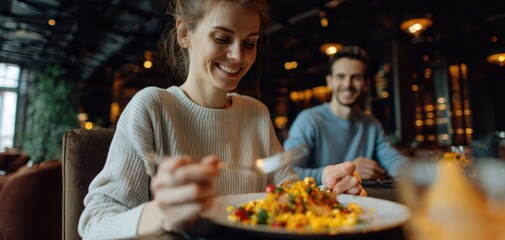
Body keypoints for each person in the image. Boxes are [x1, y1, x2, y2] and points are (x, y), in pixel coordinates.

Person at [78, 1, 365, 239]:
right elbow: (94, 222)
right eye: (222, 38)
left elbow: (287, 196)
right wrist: (161, 213)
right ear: (184, 33)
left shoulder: (256, 113)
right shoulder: (152, 107)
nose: (238, 56)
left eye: (250, 43)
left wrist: (330, 195)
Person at [283, 45, 407, 185]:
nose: (348, 84)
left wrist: (422, 173)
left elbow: (394, 161)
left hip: (362, 202)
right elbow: (286, 172)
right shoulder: (309, 120)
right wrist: (342, 172)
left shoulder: (372, 124)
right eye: (341, 76)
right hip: (318, 202)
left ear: (366, 84)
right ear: (330, 82)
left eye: (356, 77)